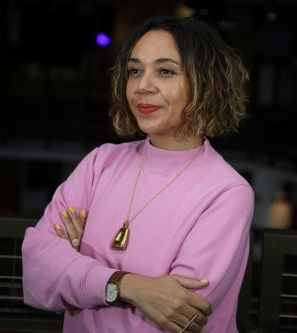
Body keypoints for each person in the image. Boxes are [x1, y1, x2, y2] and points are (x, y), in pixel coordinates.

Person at [22, 15, 254, 333]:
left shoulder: (227, 191)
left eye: (165, 71)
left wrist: (77, 270)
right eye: (135, 71)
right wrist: (129, 287)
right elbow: (38, 271)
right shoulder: (100, 163)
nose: (143, 86)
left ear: (206, 84)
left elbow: (180, 313)